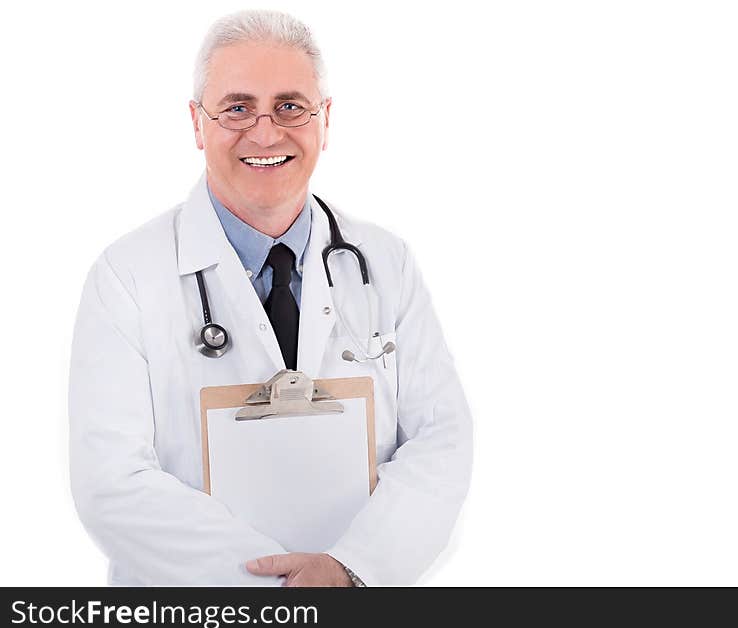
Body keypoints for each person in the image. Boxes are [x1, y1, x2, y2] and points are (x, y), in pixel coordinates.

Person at [68, 9, 472, 586]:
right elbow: (111, 482)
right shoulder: (127, 277)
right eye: (237, 108)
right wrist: (277, 593)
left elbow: (442, 439)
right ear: (197, 123)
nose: (265, 132)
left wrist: (350, 569)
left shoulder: (387, 264)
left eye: (290, 106)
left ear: (324, 121)